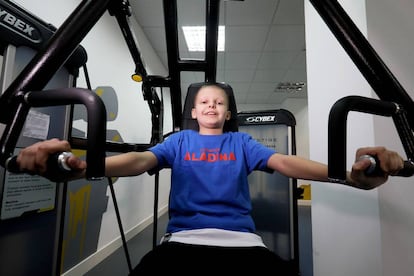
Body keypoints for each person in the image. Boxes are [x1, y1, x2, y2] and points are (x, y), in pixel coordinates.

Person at [14, 83, 404, 275]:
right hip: (182, 241)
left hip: (244, 244)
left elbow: (285, 163)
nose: (212, 105)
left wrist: (346, 177)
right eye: (204, 102)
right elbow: (138, 160)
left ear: (229, 112)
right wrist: (84, 167)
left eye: (219, 102)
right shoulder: (178, 141)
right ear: (194, 112)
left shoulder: (241, 143)